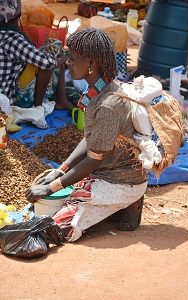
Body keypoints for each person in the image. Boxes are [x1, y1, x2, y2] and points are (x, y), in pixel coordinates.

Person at [25, 28, 148, 242]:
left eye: (72, 59)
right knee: (65, 192)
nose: (67, 63)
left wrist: (49, 187)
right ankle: (118, 205)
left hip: (121, 180)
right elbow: (91, 139)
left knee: (57, 229)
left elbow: (93, 159)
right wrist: (60, 171)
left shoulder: (109, 104)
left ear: (91, 63)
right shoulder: (97, 91)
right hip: (103, 173)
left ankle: (131, 200)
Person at [0, 0, 74, 110]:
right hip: (15, 99)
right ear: (17, 15)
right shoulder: (12, 39)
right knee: (50, 55)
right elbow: (46, 63)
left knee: (49, 48)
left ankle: (61, 100)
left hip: (5, 95)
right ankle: (38, 107)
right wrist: (64, 59)